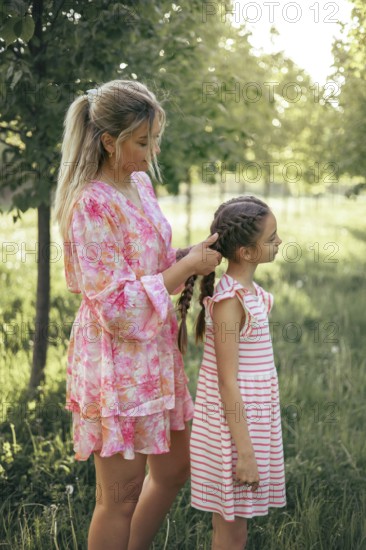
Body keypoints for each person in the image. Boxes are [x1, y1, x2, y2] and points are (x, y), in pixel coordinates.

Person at [53, 79, 221, 550]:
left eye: (155, 140)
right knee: (118, 499)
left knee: (173, 469)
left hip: (154, 352)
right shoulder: (89, 203)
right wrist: (183, 268)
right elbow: (116, 307)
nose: (152, 153)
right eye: (142, 142)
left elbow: (152, 265)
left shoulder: (140, 185)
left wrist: (191, 257)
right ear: (109, 141)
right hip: (117, 361)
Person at [177, 196, 286, 549]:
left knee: (233, 523)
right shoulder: (229, 303)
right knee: (232, 529)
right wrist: (246, 453)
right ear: (246, 252)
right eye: (271, 238)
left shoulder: (251, 294)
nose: (279, 242)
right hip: (233, 433)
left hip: (248, 423)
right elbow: (227, 382)